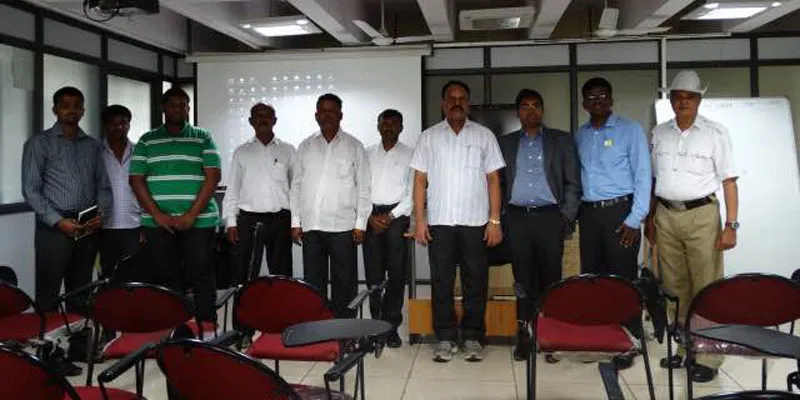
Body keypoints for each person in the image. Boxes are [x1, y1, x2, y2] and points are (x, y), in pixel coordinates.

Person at [645, 70, 738, 383]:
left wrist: (731, 225)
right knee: (674, 287)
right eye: (678, 97)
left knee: (706, 287)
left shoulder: (715, 133)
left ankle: (709, 356)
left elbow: (729, 181)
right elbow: (654, 179)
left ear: (699, 100)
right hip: (666, 215)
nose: (683, 102)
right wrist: (650, 218)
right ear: (671, 100)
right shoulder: (659, 132)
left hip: (701, 216)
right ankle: (685, 348)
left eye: (690, 97)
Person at [411, 80, 505, 363]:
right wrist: (420, 221)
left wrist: (494, 221)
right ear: (443, 104)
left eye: (462, 98)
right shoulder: (429, 137)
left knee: (475, 281)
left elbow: (493, 179)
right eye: (451, 98)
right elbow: (420, 180)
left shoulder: (484, 136)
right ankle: (445, 338)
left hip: (475, 222)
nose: (456, 103)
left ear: (469, 103)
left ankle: (473, 336)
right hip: (440, 222)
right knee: (441, 282)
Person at [22, 86, 111, 375]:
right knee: (48, 293)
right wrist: (58, 221)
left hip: (87, 226)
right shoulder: (39, 144)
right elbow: (31, 190)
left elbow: (104, 186)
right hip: (54, 227)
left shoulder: (93, 146)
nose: (71, 110)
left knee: (80, 292)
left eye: (76, 105)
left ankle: (78, 349)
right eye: (65, 105)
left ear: (83, 110)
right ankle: (48, 356)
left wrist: (101, 214)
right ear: (55, 109)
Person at [498, 89, 581, 362]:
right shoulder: (506, 143)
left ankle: (550, 337)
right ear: (518, 112)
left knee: (551, 281)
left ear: (542, 110)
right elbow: (498, 182)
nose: (531, 110)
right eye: (525, 106)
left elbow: (573, 182)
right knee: (522, 281)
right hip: (517, 219)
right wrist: (501, 216)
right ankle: (524, 337)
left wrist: (565, 216)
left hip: (550, 218)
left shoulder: (561, 140)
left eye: (536, 105)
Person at [574, 77, 651, 370]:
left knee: (623, 280)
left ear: (611, 100)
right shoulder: (580, 135)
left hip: (621, 214)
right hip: (589, 215)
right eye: (592, 97)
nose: (598, 101)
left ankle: (629, 342)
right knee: (593, 279)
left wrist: (635, 218)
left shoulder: (630, 130)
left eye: (603, 95)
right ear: (584, 104)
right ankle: (600, 339)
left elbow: (643, 176)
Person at [129, 87, 220, 324]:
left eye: (183, 105)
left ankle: (206, 326)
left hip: (199, 220)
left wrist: (191, 215)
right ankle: (174, 327)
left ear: (188, 108)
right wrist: (157, 215)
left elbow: (213, 177)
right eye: (172, 104)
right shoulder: (147, 140)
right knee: (166, 276)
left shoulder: (203, 137)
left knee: (201, 273)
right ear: (163, 109)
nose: (178, 109)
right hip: (158, 222)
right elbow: (136, 179)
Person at [290, 93, 370, 319]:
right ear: (316, 115)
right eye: (323, 111)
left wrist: (361, 224)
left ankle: (344, 329)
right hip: (312, 227)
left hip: (343, 228)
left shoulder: (354, 146)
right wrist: (296, 222)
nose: (327, 115)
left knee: (345, 283)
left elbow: (364, 188)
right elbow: (296, 186)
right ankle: (318, 327)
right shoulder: (305, 146)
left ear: (340, 115)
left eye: (332, 111)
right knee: (313, 285)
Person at [223, 103, 295, 283]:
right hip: (248, 219)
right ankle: (243, 301)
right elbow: (233, 189)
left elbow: (296, 188)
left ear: (275, 120)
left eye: (267, 116)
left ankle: (282, 301)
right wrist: (230, 222)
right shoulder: (241, 152)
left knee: (282, 272)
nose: (263, 120)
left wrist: (296, 221)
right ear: (250, 121)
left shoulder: (288, 150)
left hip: (280, 219)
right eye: (258, 116)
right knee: (244, 272)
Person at [364, 109, 413, 348]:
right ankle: (376, 326)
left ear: (401, 128)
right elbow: (359, 188)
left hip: (397, 216)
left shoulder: (411, 154)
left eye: (394, 124)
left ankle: (391, 326)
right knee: (373, 275)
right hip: (370, 216)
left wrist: (391, 216)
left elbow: (412, 192)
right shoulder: (366, 154)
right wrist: (369, 216)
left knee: (396, 274)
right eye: (384, 123)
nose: (389, 127)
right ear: (378, 126)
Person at [99, 105, 143, 283]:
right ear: (105, 126)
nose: (119, 127)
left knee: (134, 277)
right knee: (107, 277)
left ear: (129, 125)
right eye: (113, 123)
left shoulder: (139, 152)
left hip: (134, 226)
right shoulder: (96, 152)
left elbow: (146, 188)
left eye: (123, 123)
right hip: (103, 227)